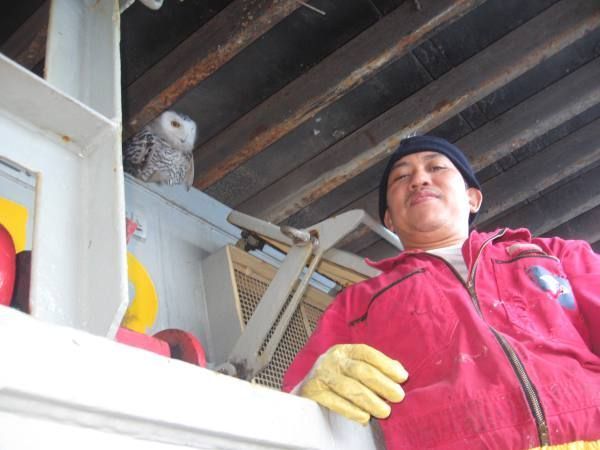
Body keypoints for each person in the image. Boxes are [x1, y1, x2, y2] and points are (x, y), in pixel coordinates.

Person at [282, 135, 600, 450]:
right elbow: (292, 406)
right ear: (390, 219)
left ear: (473, 198)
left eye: (436, 168)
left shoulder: (558, 255)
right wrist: (307, 389)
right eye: (402, 177)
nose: (419, 179)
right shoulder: (357, 303)